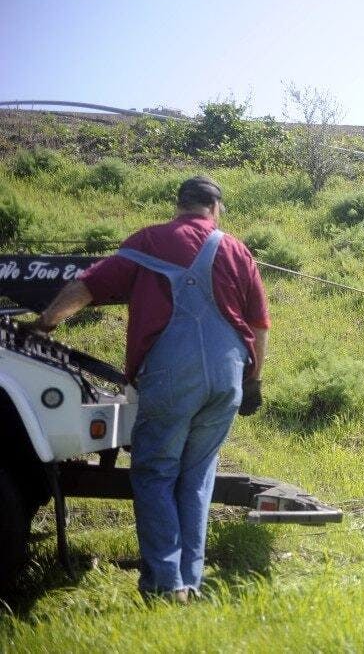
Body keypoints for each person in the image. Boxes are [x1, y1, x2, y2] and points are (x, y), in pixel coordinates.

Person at [29, 175, 270, 603]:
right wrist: (253, 379)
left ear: (179, 206)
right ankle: (189, 584)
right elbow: (258, 325)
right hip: (229, 376)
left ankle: (165, 584)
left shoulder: (149, 241)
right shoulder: (236, 249)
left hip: (172, 376)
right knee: (197, 479)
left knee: (156, 472)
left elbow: (86, 287)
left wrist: (45, 324)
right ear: (216, 209)